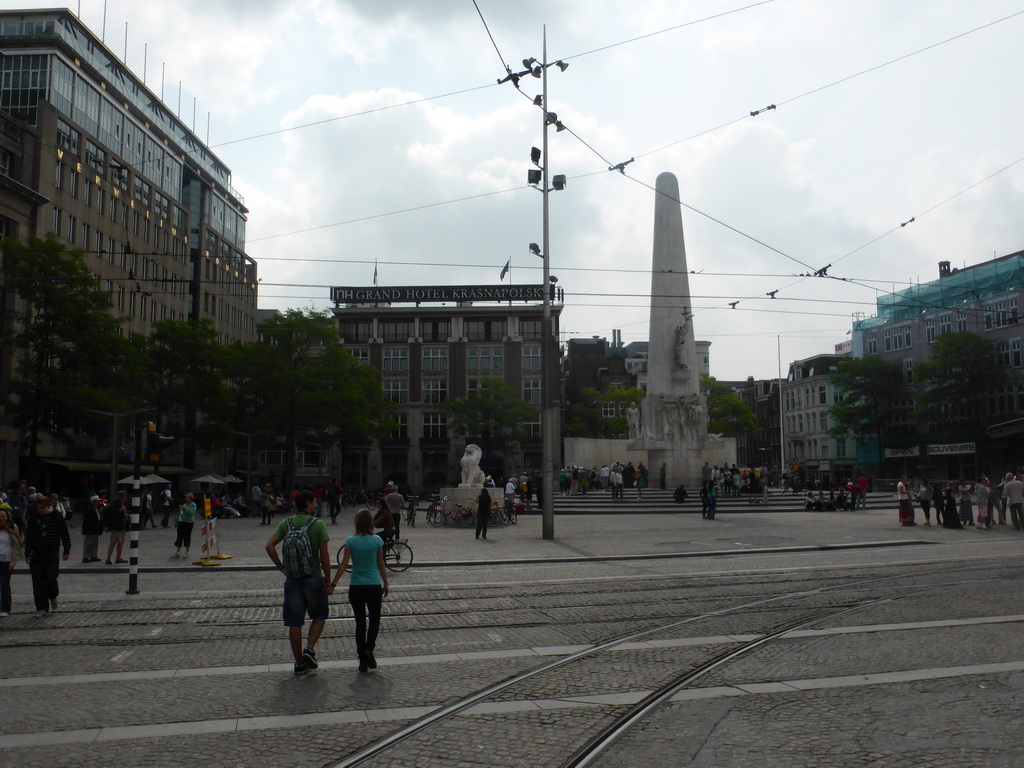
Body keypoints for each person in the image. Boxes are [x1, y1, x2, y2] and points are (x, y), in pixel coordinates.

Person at [266, 490, 331, 675]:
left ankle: (298, 663)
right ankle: (309, 649)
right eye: (314, 502)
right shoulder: (318, 524)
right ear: (308, 504)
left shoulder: (285, 523)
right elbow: (324, 556)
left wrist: (281, 567)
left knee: (294, 622)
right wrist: (328, 581)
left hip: (292, 579)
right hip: (313, 577)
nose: (316, 505)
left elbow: (269, 546)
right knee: (319, 615)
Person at [329, 508, 388, 672]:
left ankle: (362, 658)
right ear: (370, 523)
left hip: (356, 587)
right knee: (375, 620)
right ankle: (369, 650)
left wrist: (333, 584)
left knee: (360, 623)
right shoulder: (377, 540)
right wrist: (386, 583)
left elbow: (344, 564)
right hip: (373, 585)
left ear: (356, 523)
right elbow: (381, 564)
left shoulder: (350, 541)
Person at [24, 495, 71, 616]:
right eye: (38, 508)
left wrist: (67, 550)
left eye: (42, 508)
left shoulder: (56, 516)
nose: (40, 510)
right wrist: (27, 553)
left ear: (47, 506)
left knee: (51, 579)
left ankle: (53, 595)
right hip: (38, 552)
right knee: (38, 581)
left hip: (52, 551)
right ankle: (41, 607)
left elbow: (64, 533)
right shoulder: (34, 519)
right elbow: (29, 536)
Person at [0, 505, 22, 616]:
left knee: (4, 584)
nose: (1, 518)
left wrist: (13, 562)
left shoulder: (12, 527)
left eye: (3, 516)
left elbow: (17, 546)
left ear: (7, 517)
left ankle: (5, 608)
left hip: (6, 560)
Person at [103, 490, 130, 564]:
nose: (126, 498)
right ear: (121, 498)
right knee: (114, 542)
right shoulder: (115, 505)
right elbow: (112, 515)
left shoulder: (124, 504)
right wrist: (120, 510)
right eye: (124, 497)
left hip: (122, 527)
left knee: (121, 542)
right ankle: (108, 558)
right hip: (116, 527)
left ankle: (118, 557)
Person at [172, 493, 197, 558]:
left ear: (191, 498)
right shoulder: (185, 504)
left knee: (187, 536)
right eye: (185, 498)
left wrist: (184, 509)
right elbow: (181, 514)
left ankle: (187, 552)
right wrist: (178, 521)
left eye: (187, 498)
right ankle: (178, 551)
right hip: (182, 521)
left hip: (189, 522)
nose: (186, 499)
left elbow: (191, 513)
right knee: (179, 536)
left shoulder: (193, 505)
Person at [80, 494, 104, 563]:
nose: (98, 502)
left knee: (94, 543)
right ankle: (86, 557)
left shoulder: (95, 508)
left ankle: (93, 555)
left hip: (95, 529)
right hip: (90, 529)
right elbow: (87, 520)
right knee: (88, 543)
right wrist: (89, 529)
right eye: (97, 501)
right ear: (94, 501)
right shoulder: (89, 508)